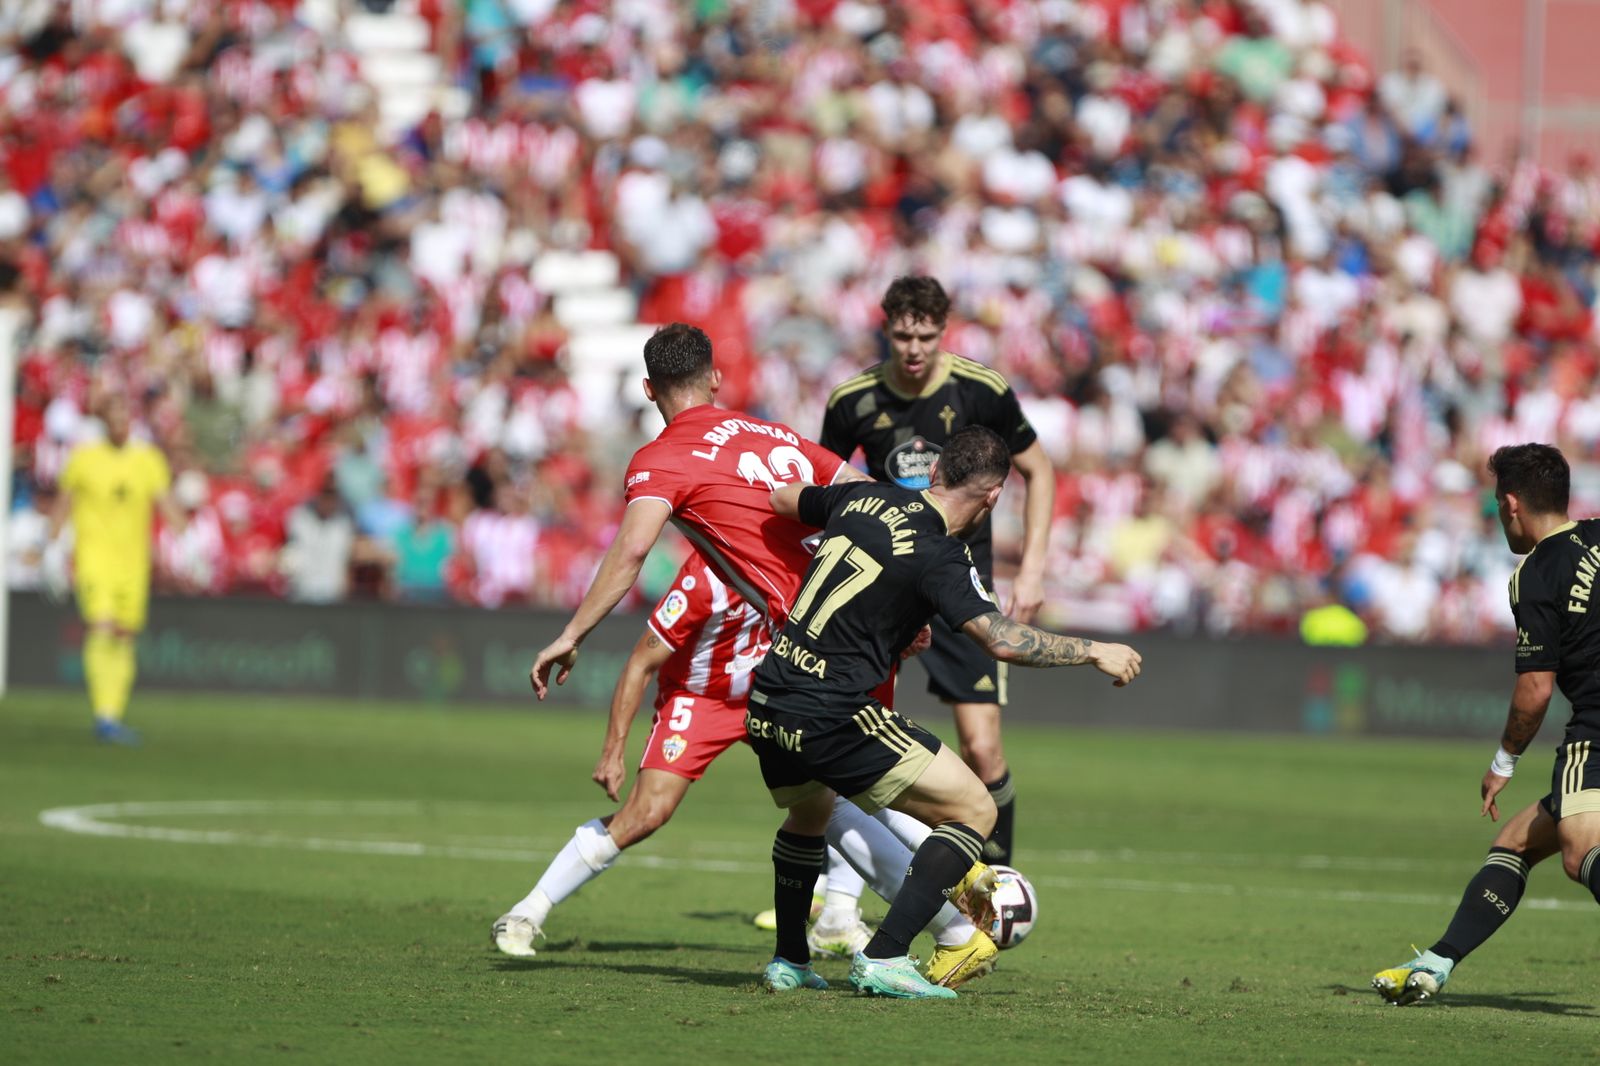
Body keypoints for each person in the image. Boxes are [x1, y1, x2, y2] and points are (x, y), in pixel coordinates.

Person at [751, 426, 1141, 998]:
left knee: (810, 816)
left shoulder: (866, 495)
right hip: (829, 710)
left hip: (768, 696)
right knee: (974, 810)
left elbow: (782, 499)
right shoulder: (942, 556)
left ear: (934, 472)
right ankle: (884, 956)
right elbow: (1002, 639)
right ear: (993, 497)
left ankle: (789, 960)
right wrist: (1093, 650)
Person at [496, 551, 993, 977]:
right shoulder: (706, 575)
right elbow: (641, 662)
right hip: (704, 698)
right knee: (647, 813)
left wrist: (903, 637)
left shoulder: (811, 565)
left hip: (783, 696)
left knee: (838, 801)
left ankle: (873, 918)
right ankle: (527, 910)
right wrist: (612, 750)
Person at [820, 276, 1055, 864]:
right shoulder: (852, 400)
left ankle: (997, 884)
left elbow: (1041, 470)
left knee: (981, 747)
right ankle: (836, 892)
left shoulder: (981, 390)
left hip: (959, 578)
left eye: (925, 335)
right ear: (887, 330)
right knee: (845, 734)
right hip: (881, 583)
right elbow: (825, 480)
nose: (914, 348)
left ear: (943, 331)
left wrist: (1031, 571)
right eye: (902, 335)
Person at [1371, 443, 1600, 1005]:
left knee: (1580, 850)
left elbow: (1535, 689)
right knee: (1516, 844)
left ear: (1513, 504)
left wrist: (1503, 761)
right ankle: (1437, 961)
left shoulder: (1537, 573)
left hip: (1597, 732)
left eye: (1498, 504)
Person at [528, 321, 863, 701]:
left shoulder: (661, 459)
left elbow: (634, 549)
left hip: (810, 632)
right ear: (715, 379)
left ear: (649, 390)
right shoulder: (778, 432)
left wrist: (572, 634)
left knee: (818, 752)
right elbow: (869, 495)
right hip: (866, 606)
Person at [49, 396, 181, 744]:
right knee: (102, 628)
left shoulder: (148, 460)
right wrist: (50, 547)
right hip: (93, 558)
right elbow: (63, 504)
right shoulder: (84, 458)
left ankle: (112, 714)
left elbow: (165, 503)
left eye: (126, 415)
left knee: (123, 636)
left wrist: (188, 541)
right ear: (104, 420)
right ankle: (103, 715)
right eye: (115, 415)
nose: (121, 422)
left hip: (133, 564)